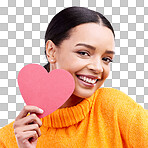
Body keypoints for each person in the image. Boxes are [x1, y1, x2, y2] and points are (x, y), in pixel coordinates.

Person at [0, 6, 148, 148]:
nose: (97, 67)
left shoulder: (116, 109)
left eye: (106, 59)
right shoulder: (8, 139)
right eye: (83, 53)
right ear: (51, 51)